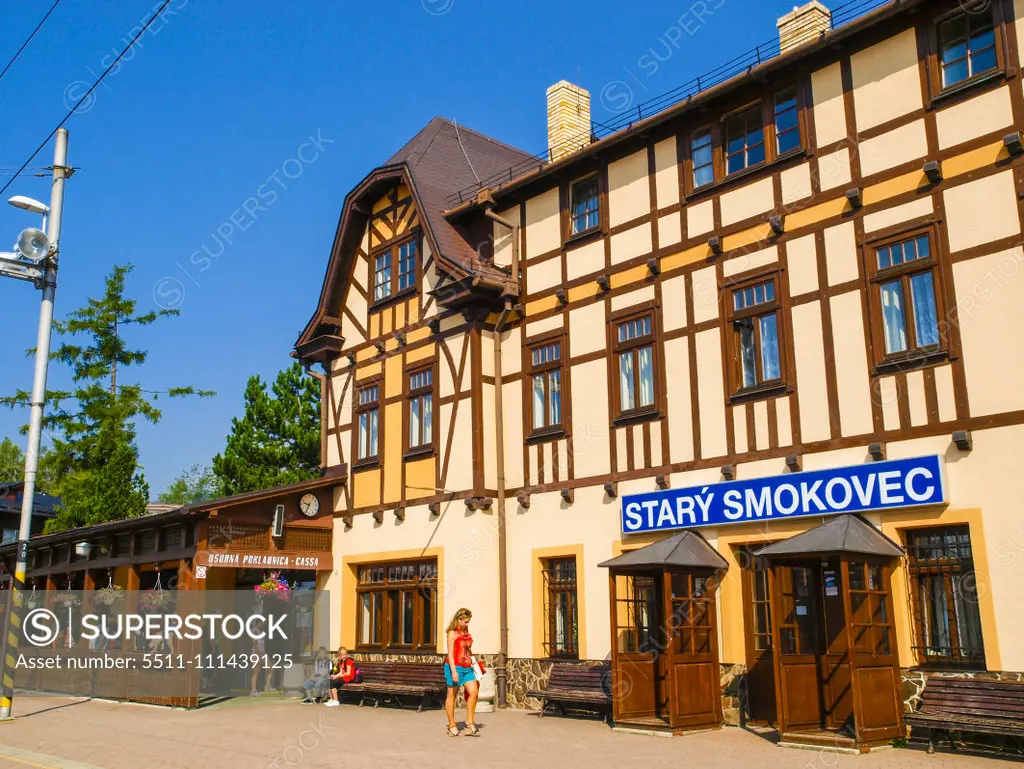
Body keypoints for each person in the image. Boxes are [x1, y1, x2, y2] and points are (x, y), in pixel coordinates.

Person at [444, 608, 480, 737]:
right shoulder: (452, 633)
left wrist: (473, 660)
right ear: (458, 619)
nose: (466, 624)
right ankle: (452, 725)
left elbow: (468, 649)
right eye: (464, 622)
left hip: (467, 667)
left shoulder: (466, 632)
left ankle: (470, 723)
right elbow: (450, 654)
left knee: (474, 692)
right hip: (455, 666)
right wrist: (453, 671)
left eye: (468, 622)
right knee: (452, 695)